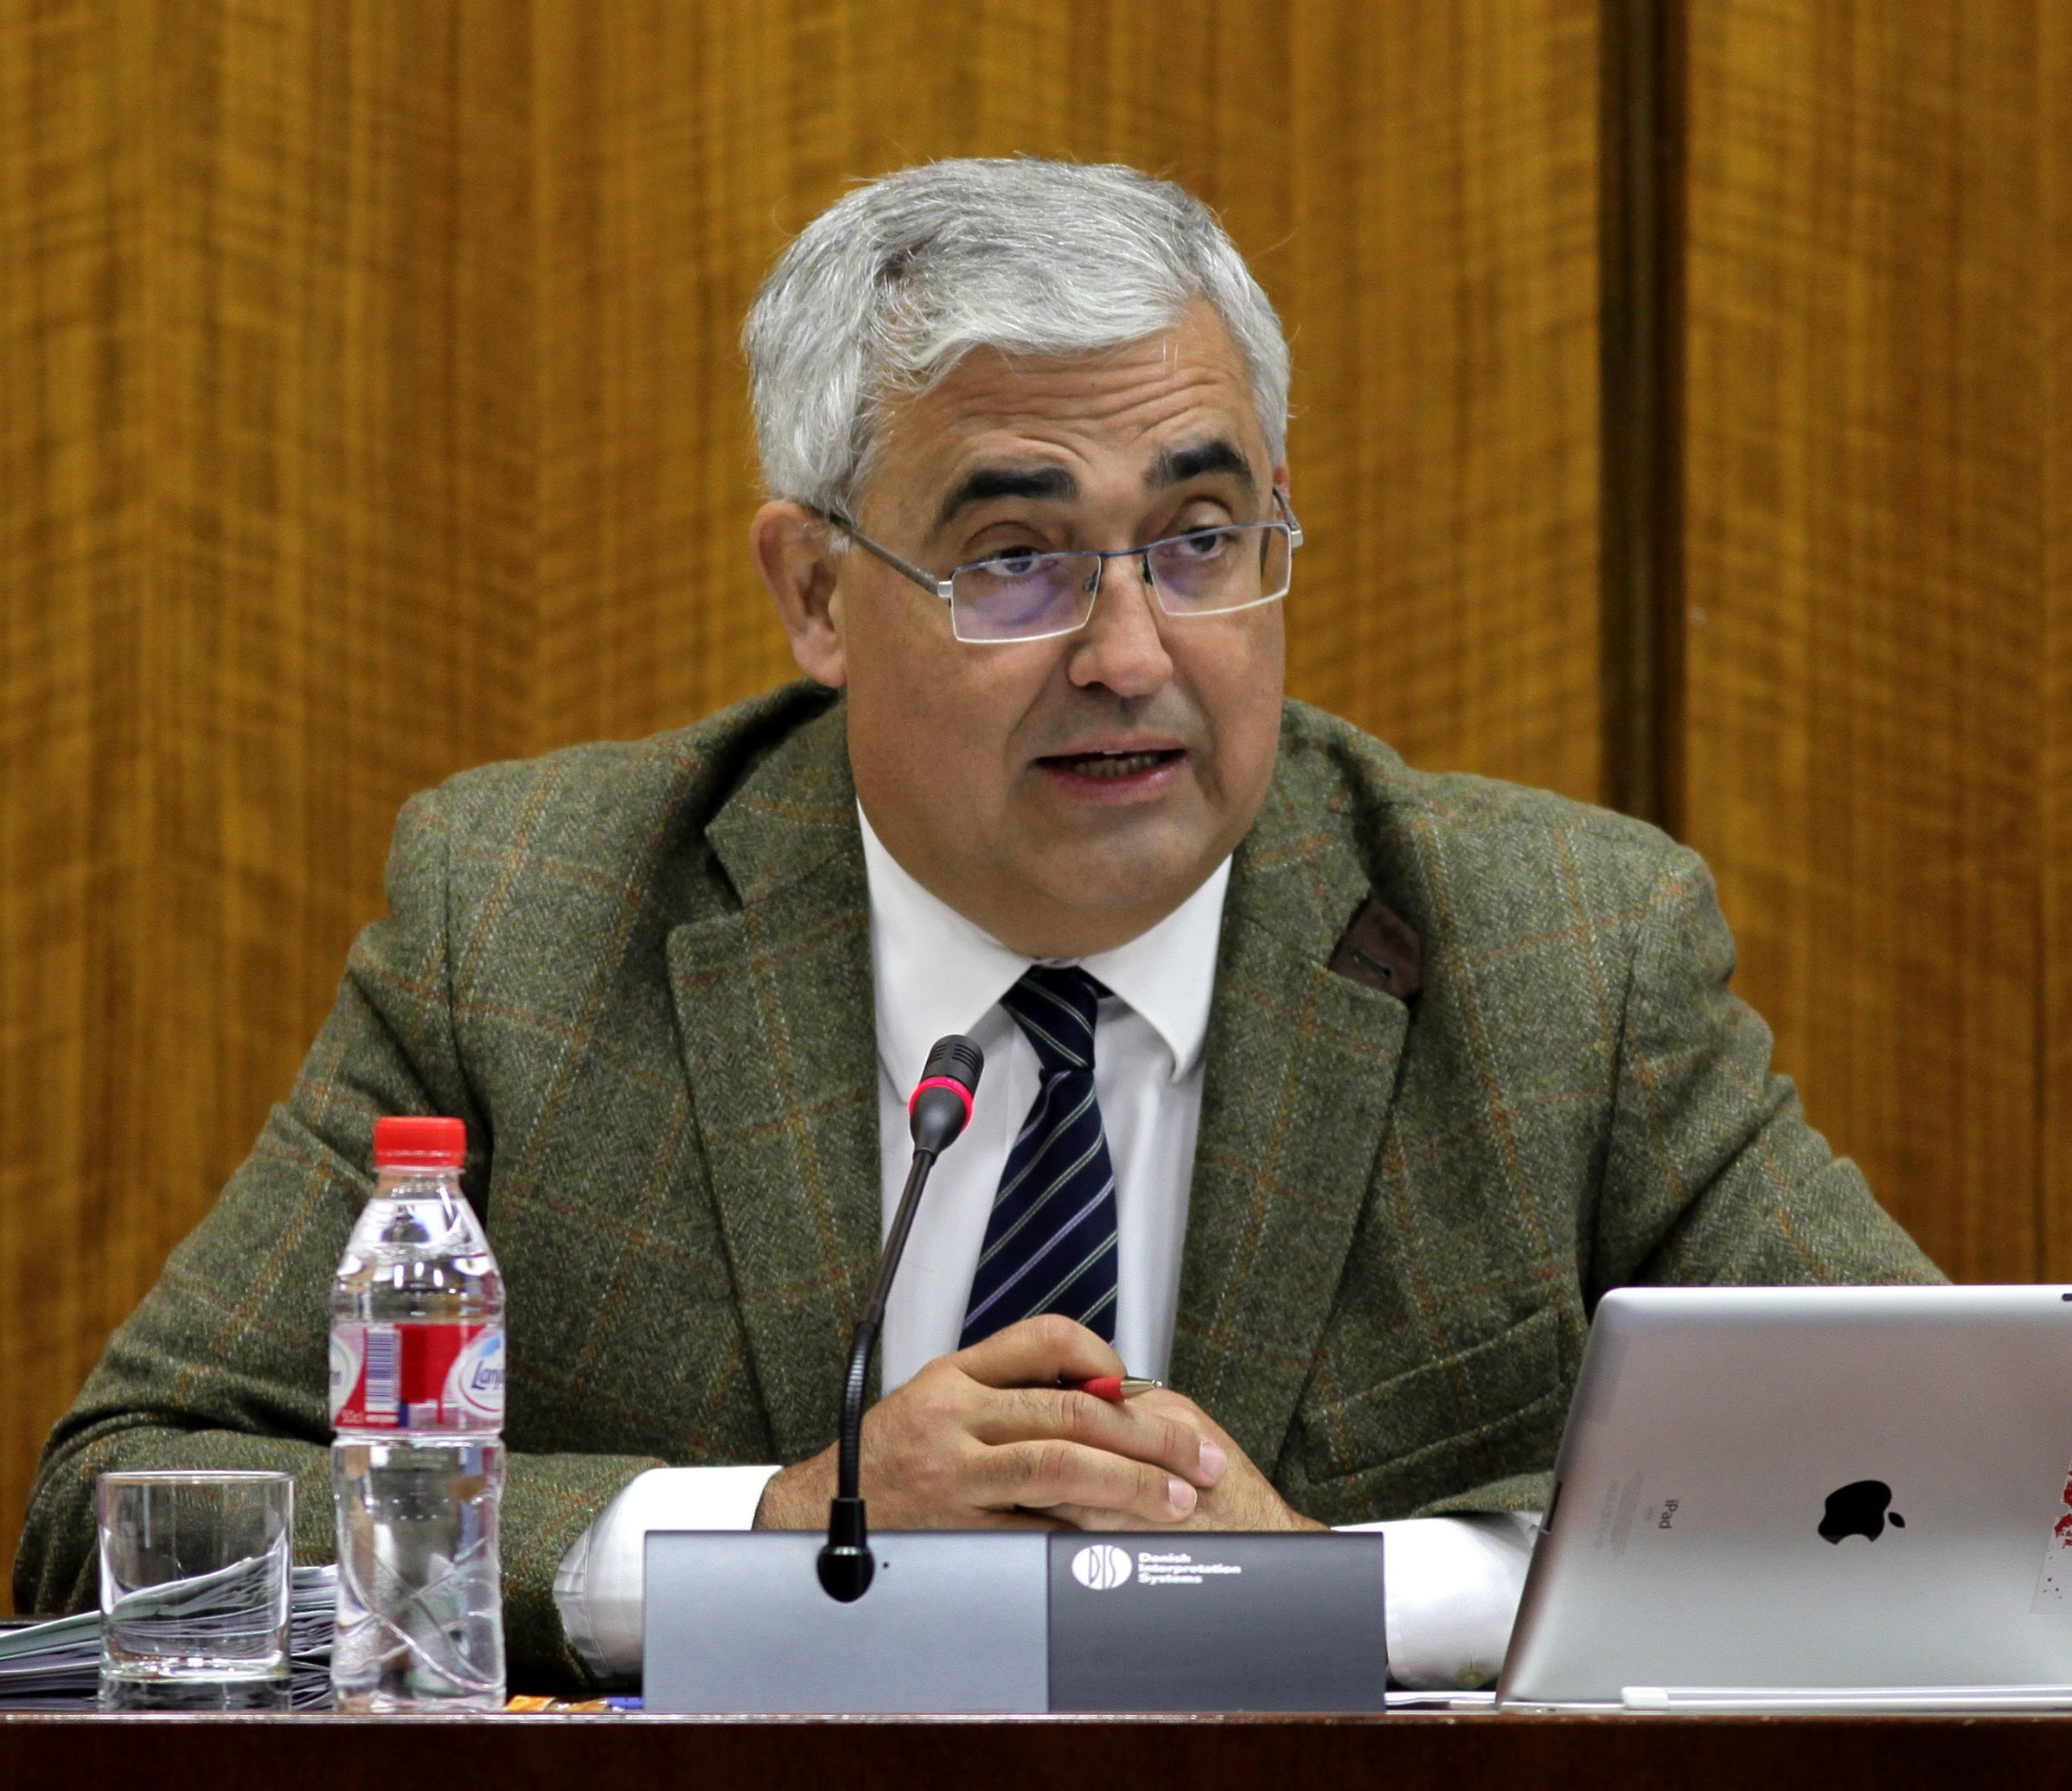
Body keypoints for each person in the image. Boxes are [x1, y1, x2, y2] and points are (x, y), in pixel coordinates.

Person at [14, 158, 1939, 1691]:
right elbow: (122, 1519)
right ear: (815, 593)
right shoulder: (526, 922)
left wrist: (1330, 1590)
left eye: (1202, 541)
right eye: (1015, 559)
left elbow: (1942, 1494)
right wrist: (771, 1538)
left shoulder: (1564, 955)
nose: (1130, 653)